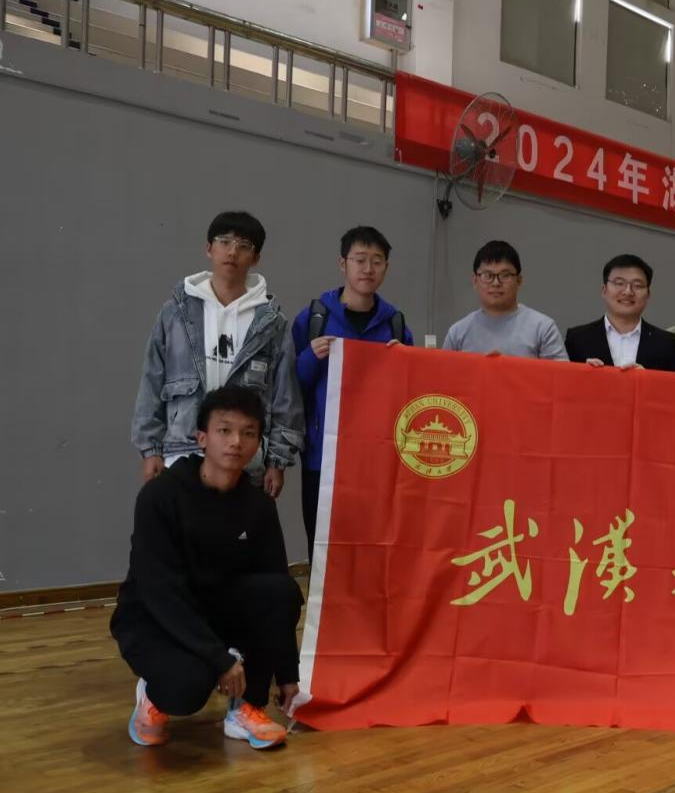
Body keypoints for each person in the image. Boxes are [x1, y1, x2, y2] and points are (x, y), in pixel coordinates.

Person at [111, 386, 304, 749]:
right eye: (224, 430)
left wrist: (287, 675)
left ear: (258, 442)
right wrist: (219, 659)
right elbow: (158, 592)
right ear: (202, 438)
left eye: (248, 433)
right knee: (187, 688)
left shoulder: (259, 506)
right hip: (154, 617)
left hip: (216, 611)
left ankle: (246, 708)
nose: (236, 442)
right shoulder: (160, 496)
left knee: (281, 591)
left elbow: (278, 591)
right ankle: (152, 695)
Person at [131, 211, 303, 499]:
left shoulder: (271, 323)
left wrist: (277, 461)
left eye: (244, 246)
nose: (232, 252)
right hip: (182, 452)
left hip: (245, 461)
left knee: (237, 529)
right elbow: (152, 380)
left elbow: (285, 396)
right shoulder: (176, 313)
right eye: (224, 242)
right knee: (181, 527)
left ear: (256, 257)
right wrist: (151, 449)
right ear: (209, 248)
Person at [291, 226, 413, 558]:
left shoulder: (396, 325)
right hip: (323, 455)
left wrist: (404, 362)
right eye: (360, 259)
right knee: (322, 545)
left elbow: (409, 394)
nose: (368, 269)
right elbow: (292, 385)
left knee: (372, 545)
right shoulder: (314, 318)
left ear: (386, 267)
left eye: (377, 261)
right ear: (342, 263)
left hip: (377, 457)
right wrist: (310, 357)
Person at [443, 240, 568, 359]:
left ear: (519, 280)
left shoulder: (543, 328)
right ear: (475, 281)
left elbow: (561, 374)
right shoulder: (457, 332)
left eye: (505, 275)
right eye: (488, 275)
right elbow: (444, 373)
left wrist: (506, 367)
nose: (496, 283)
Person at [564, 254, 675, 372]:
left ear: (648, 294)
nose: (628, 292)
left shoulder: (665, 342)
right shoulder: (577, 339)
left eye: (637, 285)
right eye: (619, 283)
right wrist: (582, 374)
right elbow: (561, 382)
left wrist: (649, 380)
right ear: (604, 290)